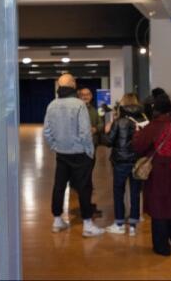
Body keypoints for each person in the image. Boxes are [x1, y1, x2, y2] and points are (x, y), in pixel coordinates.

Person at [43, 74, 104, 237]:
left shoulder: (52, 105)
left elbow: (47, 131)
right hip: (80, 153)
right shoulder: (79, 105)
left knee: (59, 186)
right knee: (84, 188)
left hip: (62, 153)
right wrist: (89, 151)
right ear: (72, 84)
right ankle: (87, 225)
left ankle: (57, 221)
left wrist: (55, 146)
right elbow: (85, 132)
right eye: (74, 81)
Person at [133, 93, 171, 256]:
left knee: (159, 206)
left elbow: (138, 146)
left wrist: (137, 133)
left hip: (159, 170)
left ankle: (162, 246)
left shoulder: (153, 126)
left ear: (155, 110)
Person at [103, 93, 145, 236]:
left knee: (118, 192)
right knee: (135, 193)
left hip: (120, 161)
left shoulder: (119, 121)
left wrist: (107, 130)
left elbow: (108, 142)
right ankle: (133, 225)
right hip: (137, 161)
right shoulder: (143, 119)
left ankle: (119, 224)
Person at [78, 87, 104, 217]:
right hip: (80, 148)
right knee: (84, 178)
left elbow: (101, 124)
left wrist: (95, 129)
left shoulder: (95, 110)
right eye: (83, 94)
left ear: (91, 96)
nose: (85, 96)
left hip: (92, 147)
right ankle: (85, 207)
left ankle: (87, 205)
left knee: (88, 177)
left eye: (87, 94)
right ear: (79, 96)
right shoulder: (77, 109)